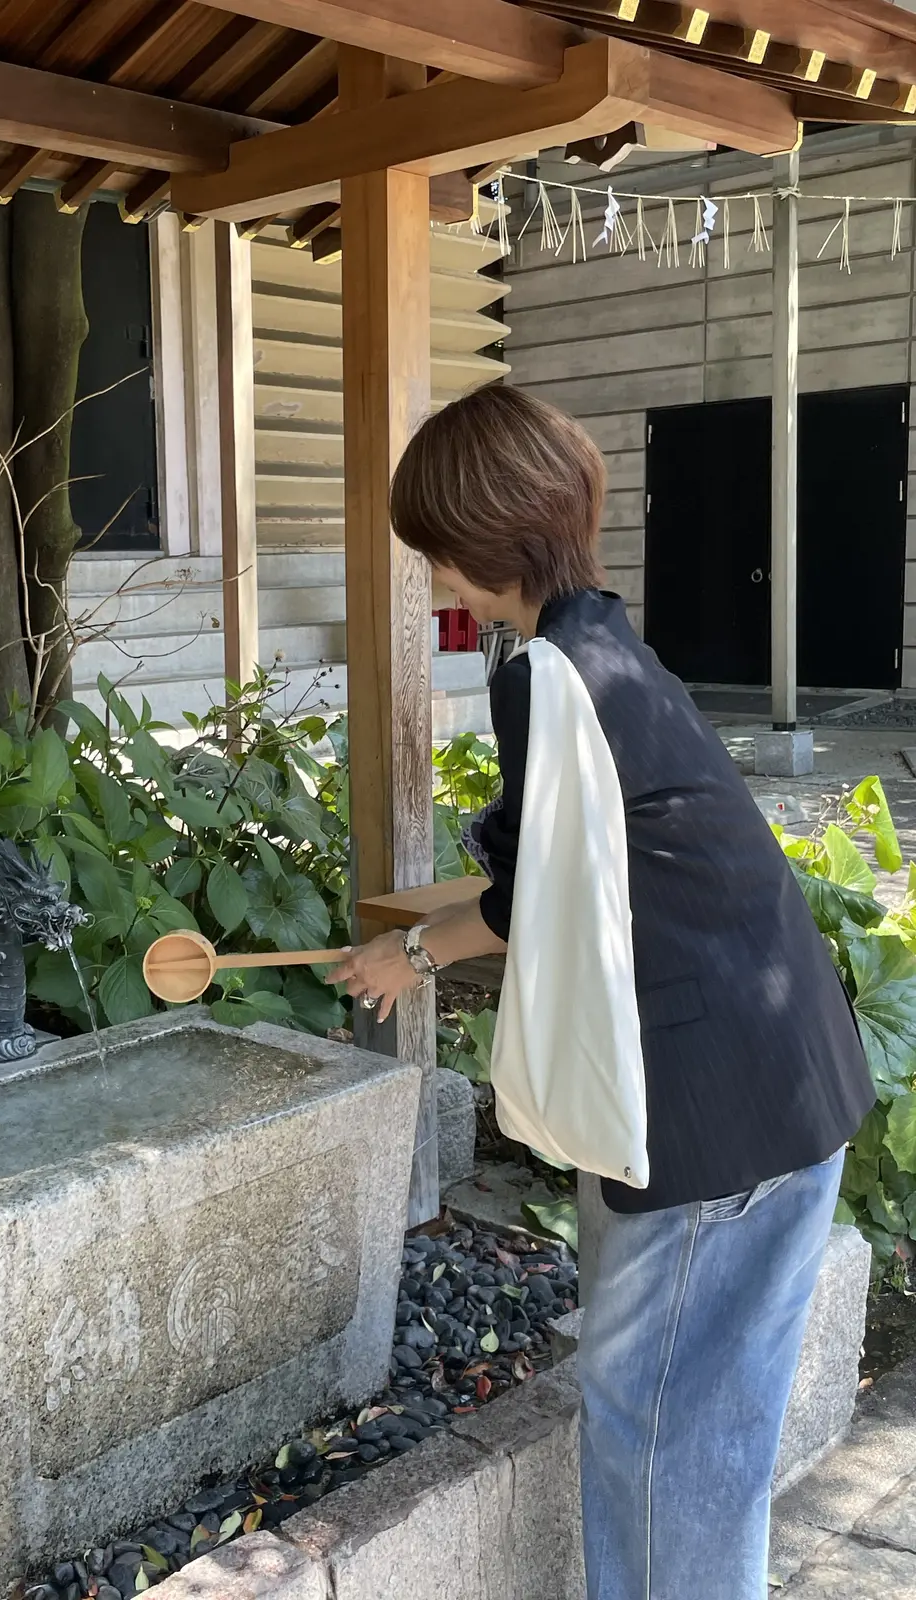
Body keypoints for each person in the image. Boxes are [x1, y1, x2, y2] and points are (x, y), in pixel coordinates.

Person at [326, 383, 875, 1600]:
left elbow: (541, 898)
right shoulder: (607, 647)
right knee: (712, 1443)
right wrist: (407, 955)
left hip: (702, 1130)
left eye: (435, 552)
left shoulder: (548, 680)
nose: (433, 583)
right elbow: (553, 886)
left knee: (658, 1441)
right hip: (786, 1087)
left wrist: (413, 952)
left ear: (486, 534)